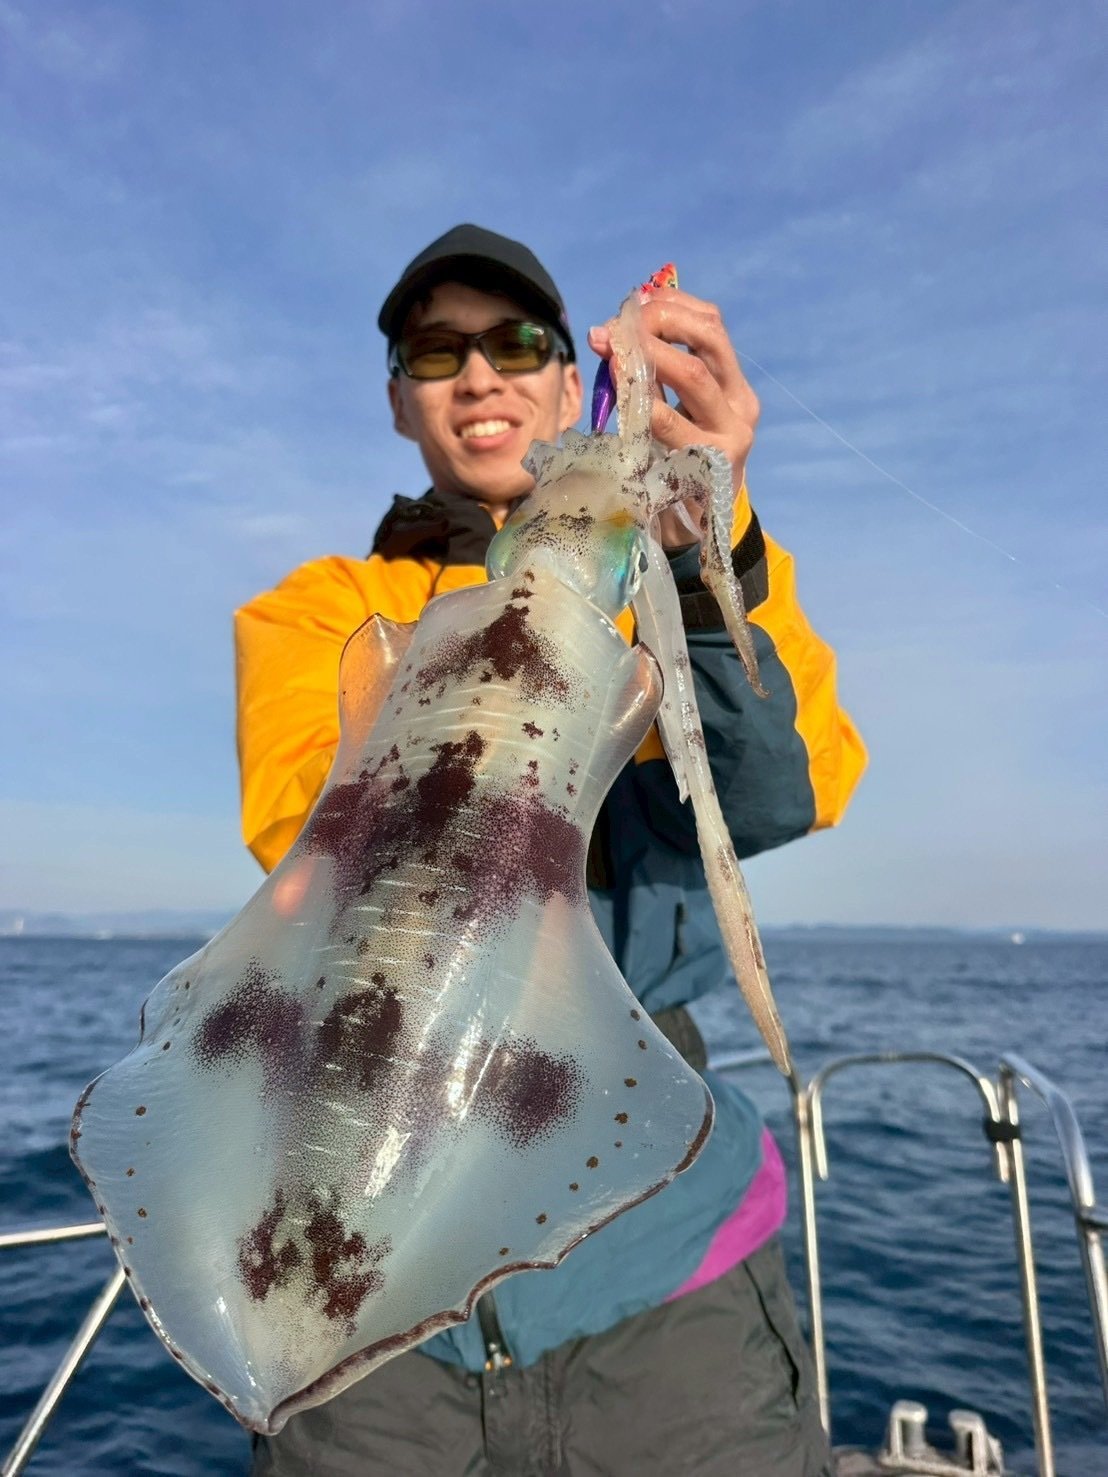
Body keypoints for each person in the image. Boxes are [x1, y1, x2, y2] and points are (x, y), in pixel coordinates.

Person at [236, 224, 867, 1476]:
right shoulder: (321, 610)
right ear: (399, 401)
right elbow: (318, 845)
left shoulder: (691, 567)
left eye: (515, 343)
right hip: (384, 1296)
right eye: (436, 352)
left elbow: (776, 795)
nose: (478, 375)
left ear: (569, 381)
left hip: (662, 1269)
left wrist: (705, 542)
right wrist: (530, 608)